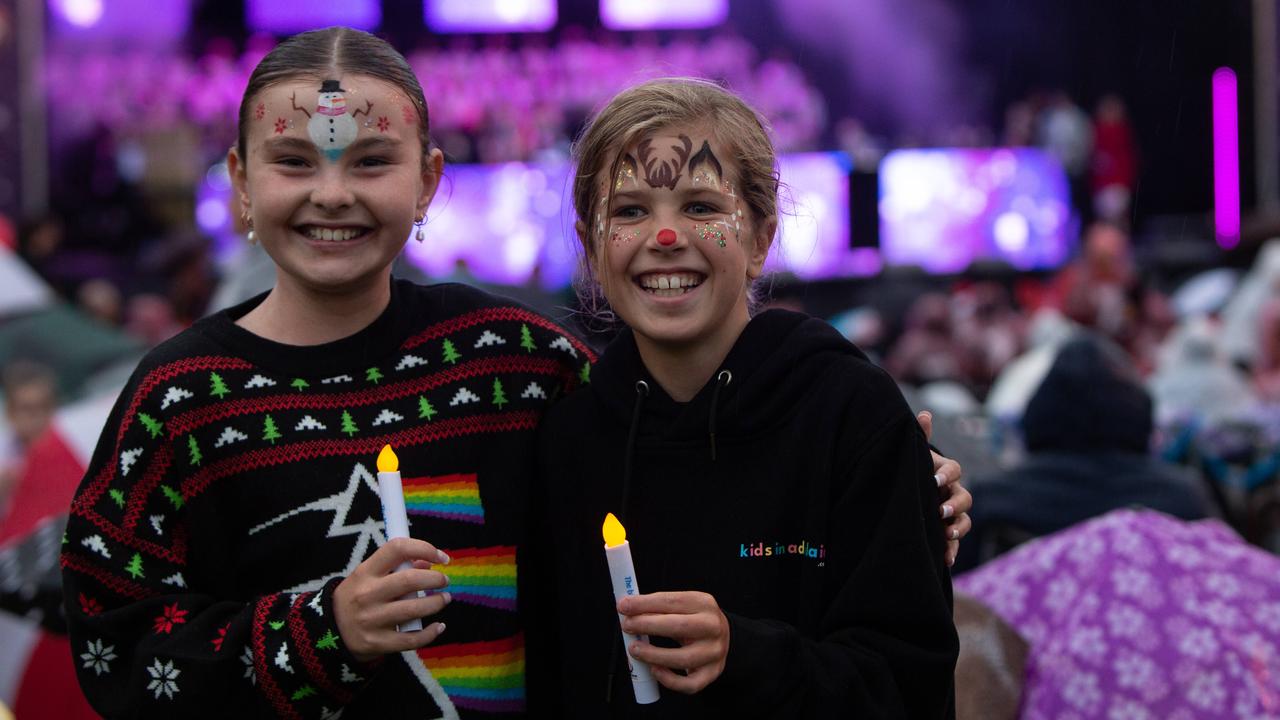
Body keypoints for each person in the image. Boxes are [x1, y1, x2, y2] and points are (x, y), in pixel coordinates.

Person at [61, 30, 968, 718]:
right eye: (294, 161)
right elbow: (112, 655)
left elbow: (687, 433)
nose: (332, 193)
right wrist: (318, 630)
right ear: (239, 182)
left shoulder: (516, 362)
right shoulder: (175, 401)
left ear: (427, 181)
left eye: (370, 160)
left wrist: (898, 492)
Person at [530, 78, 959, 717]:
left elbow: (911, 687)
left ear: (760, 238)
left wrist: (747, 654)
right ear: (591, 245)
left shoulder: (854, 416)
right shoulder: (567, 440)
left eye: (701, 206)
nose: (665, 236)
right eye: (629, 211)